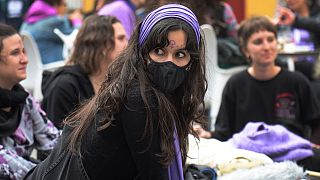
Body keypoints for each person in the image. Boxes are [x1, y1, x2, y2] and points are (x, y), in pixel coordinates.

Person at [24, 3, 206, 180]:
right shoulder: (138, 97)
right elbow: (155, 172)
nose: (169, 62)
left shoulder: (165, 95)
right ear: (143, 53)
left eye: (180, 55)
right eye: (159, 51)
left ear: (192, 61)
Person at [196, 16, 320, 171]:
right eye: (258, 42)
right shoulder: (236, 84)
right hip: (249, 159)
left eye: (270, 39)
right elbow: (224, 133)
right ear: (245, 50)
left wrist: (315, 142)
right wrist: (207, 135)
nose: (266, 46)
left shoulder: (296, 81)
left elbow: (316, 122)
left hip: (291, 156)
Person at [41, 15, 127, 129]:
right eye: (121, 38)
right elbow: (57, 140)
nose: (127, 44)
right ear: (102, 45)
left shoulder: (117, 80)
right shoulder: (64, 86)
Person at [0, 23, 60, 179]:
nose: (25, 60)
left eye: (24, 52)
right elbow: (11, 166)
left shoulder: (23, 98)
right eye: (15, 53)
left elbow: (53, 141)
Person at [20, 0, 82, 64]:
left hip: (32, 67)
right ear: (56, 6)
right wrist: (77, 21)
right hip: (52, 66)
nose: (66, 8)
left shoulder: (27, 21)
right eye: (64, 5)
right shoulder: (56, 21)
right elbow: (78, 37)